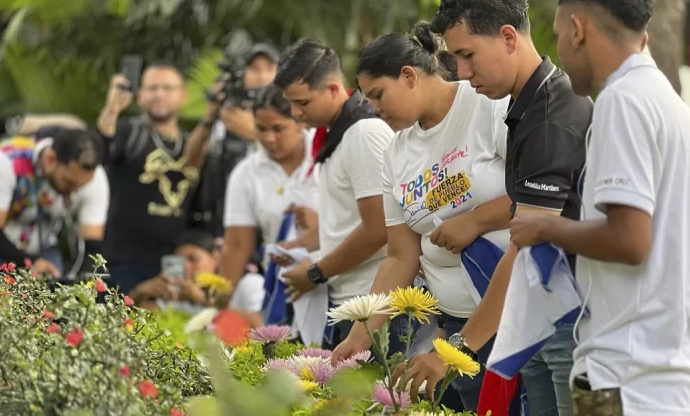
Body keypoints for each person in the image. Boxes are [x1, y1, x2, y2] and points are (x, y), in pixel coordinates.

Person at [509, 0, 690, 415]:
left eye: (559, 34)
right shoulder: (683, 116)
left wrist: (547, 225)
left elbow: (630, 240)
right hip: (670, 371)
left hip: (626, 375)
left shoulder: (622, 101)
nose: (560, 50)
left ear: (578, 30)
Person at [330, 22, 518, 412]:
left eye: (379, 95)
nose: (375, 110)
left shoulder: (486, 105)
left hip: (509, 316)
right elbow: (401, 257)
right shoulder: (396, 153)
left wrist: (477, 220)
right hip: (452, 323)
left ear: (409, 75)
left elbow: (540, 196)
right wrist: (363, 330)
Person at [428, 0, 593, 415]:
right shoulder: (528, 106)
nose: (462, 73)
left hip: (570, 327)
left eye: (467, 55)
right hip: (539, 320)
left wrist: (458, 350)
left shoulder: (551, 116)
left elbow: (525, 248)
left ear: (507, 37)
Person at [272, 39, 407, 351]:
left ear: (333, 89)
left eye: (302, 103)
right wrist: (299, 248)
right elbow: (347, 221)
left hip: (375, 305)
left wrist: (317, 272)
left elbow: (379, 228)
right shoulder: (340, 134)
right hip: (351, 301)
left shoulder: (364, 133)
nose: (295, 113)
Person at [96, 63, 201, 294]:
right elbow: (98, 150)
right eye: (153, 88)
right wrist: (112, 108)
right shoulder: (128, 132)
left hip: (173, 263)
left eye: (167, 88)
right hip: (122, 261)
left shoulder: (193, 145)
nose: (160, 94)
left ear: (183, 95)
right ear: (140, 95)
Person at [219, 84, 319, 315]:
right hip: (281, 292)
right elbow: (237, 246)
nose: (268, 138)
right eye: (260, 129)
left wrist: (321, 225)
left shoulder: (325, 154)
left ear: (300, 122)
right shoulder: (246, 173)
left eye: (278, 128)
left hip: (332, 282)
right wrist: (217, 308)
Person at [0, 128, 109, 277]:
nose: (76, 191)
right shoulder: (3, 160)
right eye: (69, 183)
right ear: (50, 159)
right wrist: (31, 263)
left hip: (42, 251)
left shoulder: (93, 178)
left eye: (82, 186)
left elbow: (92, 244)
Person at [188, 43, 280, 236]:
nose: (262, 76)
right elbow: (190, 162)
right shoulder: (227, 112)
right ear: (242, 74)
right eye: (254, 69)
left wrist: (254, 132)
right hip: (218, 220)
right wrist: (209, 118)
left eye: (269, 69)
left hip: (266, 220)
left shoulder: (289, 115)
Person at [129, 229, 265, 327]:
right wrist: (141, 292)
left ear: (216, 258)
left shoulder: (248, 283)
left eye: (193, 259)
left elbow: (263, 326)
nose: (186, 267)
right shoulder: (176, 292)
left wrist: (202, 300)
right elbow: (135, 319)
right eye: (179, 261)